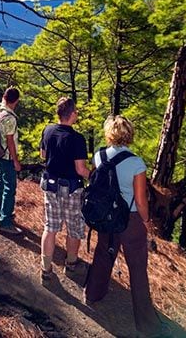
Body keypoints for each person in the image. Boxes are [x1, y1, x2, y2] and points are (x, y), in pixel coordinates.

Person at [83, 115, 161, 336]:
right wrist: (146, 221)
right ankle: (146, 323)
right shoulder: (136, 162)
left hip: (107, 217)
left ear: (109, 133)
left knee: (103, 254)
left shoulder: (98, 155)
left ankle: (92, 294)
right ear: (129, 134)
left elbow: (96, 184)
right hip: (131, 219)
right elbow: (140, 199)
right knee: (137, 268)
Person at [39, 97, 90, 279]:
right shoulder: (77, 139)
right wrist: (96, 176)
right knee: (74, 227)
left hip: (50, 186)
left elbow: (43, 155)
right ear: (73, 114)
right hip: (71, 190)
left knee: (50, 227)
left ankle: (45, 269)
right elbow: (80, 169)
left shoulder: (48, 130)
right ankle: (71, 264)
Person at [0, 87, 22, 234]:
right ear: (16, 101)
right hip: (7, 156)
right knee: (9, 187)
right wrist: (16, 161)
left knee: (0, 182)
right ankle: (5, 222)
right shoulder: (10, 118)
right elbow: (10, 141)